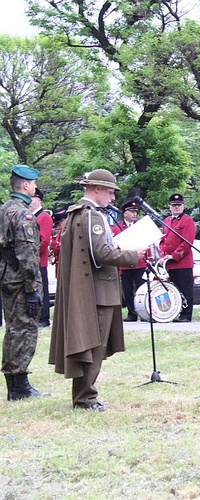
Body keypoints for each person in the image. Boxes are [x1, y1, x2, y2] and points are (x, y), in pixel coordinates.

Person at [49, 169, 147, 410]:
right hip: (98, 292)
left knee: (91, 346)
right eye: (111, 192)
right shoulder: (92, 216)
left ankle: (84, 396)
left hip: (91, 290)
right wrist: (133, 255)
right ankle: (85, 398)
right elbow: (101, 254)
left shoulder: (78, 213)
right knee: (94, 346)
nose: (113, 198)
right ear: (97, 189)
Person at [0, 165, 48, 400]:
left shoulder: (4, 209)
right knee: (24, 330)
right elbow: (27, 253)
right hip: (21, 281)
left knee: (12, 330)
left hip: (7, 277)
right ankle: (19, 386)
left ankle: (15, 383)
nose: (36, 187)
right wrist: (32, 289)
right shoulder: (23, 213)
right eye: (34, 184)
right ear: (26, 185)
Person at [158, 193, 195, 323]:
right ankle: (176, 312)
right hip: (169, 263)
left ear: (183, 206)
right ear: (170, 207)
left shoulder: (187, 221)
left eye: (179, 205)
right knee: (173, 289)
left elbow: (187, 242)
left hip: (182, 262)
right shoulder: (167, 221)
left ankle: (186, 314)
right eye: (174, 205)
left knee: (185, 289)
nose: (176, 207)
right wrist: (163, 255)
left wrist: (173, 256)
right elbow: (162, 241)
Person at [119, 200, 147, 321]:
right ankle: (132, 313)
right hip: (125, 263)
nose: (134, 214)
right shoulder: (118, 226)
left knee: (142, 289)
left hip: (140, 263)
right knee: (127, 289)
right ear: (125, 213)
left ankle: (144, 312)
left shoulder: (140, 227)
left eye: (136, 212)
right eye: (131, 211)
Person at [30, 188, 53, 328]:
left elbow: (44, 241)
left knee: (42, 290)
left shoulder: (43, 217)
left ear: (38, 200)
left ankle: (44, 318)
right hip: (32, 260)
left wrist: (29, 254)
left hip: (38, 260)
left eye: (31, 199)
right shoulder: (32, 216)